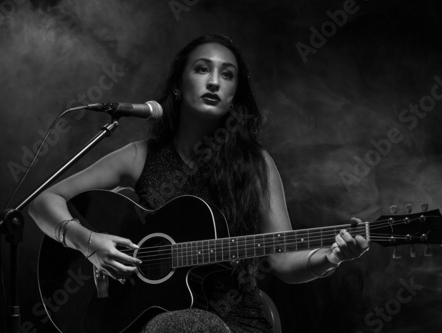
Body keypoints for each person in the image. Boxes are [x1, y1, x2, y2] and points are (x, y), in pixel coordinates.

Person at [29, 34, 369, 333]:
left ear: (234, 95)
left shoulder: (256, 164)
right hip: (145, 319)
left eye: (227, 74)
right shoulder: (140, 155)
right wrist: (88, 242)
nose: (214, 82)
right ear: (178, 85)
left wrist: (332, 256)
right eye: (202, 69)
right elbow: (44, 202)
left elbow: (285, 263)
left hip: (235, 321)